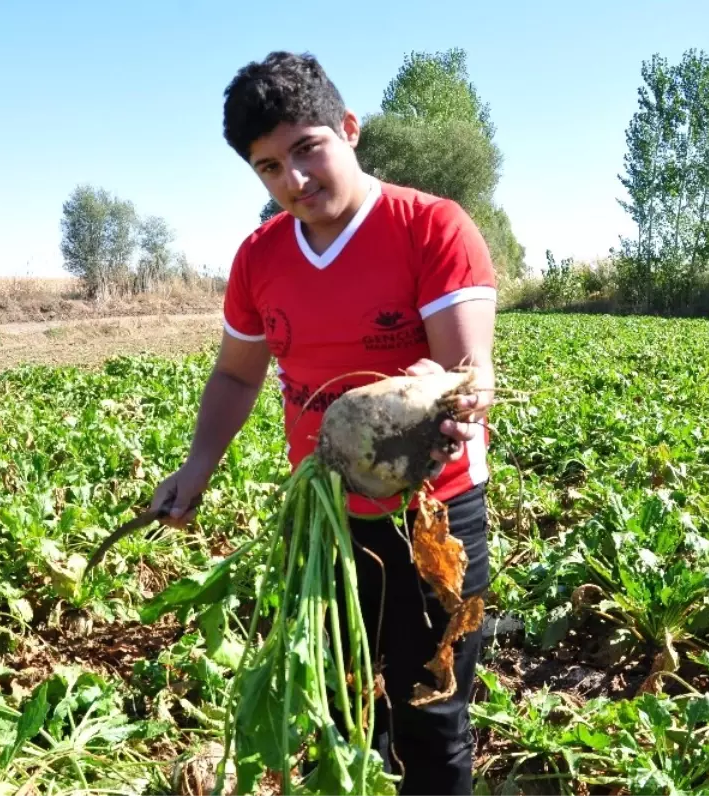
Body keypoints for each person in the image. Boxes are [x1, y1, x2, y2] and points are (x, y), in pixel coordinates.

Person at [148, 50, 497, 796]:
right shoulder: (260, 257)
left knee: (431, 720)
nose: (294, 181)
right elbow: (238, 373)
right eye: (270, 168)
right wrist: (196, 468)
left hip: (430, 519)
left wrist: (438, 391)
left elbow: (468, 375)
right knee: (342, 710)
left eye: (307, 150)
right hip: (324, 523)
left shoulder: (431, 227)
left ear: (348, 128)